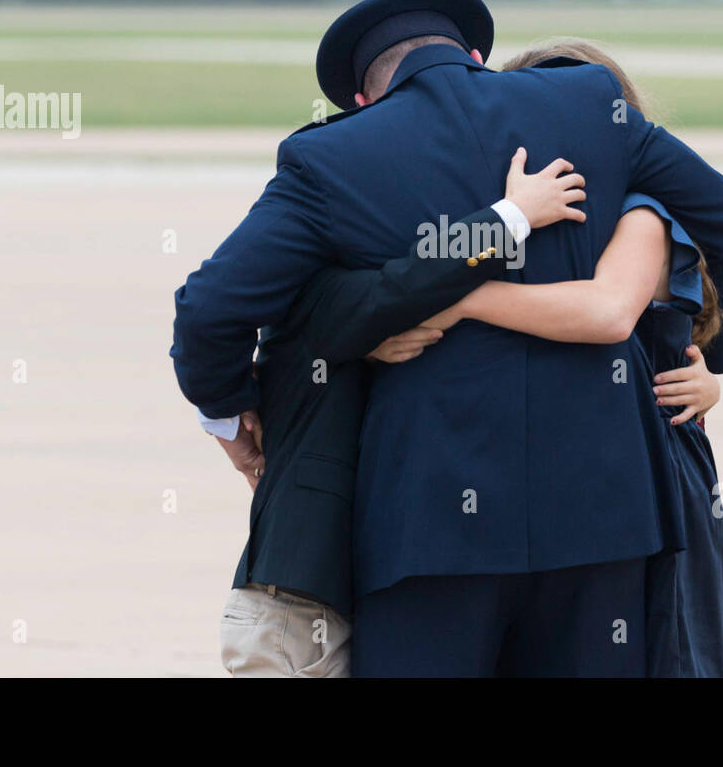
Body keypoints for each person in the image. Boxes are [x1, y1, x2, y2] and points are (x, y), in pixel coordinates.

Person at [171, 0, 723, 676]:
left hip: (429, 530)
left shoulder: (330, 158)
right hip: (604, 516)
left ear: (361, 98)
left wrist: (234, 417)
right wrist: (701, 356)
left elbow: (211, 309)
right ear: (477, 54)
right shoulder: (589, 103)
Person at [218, 154, 586, 676]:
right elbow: (410, 282)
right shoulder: (318, 293)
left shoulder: (345, 317)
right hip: (292, 622)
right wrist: (513, 214)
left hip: (316, 615)